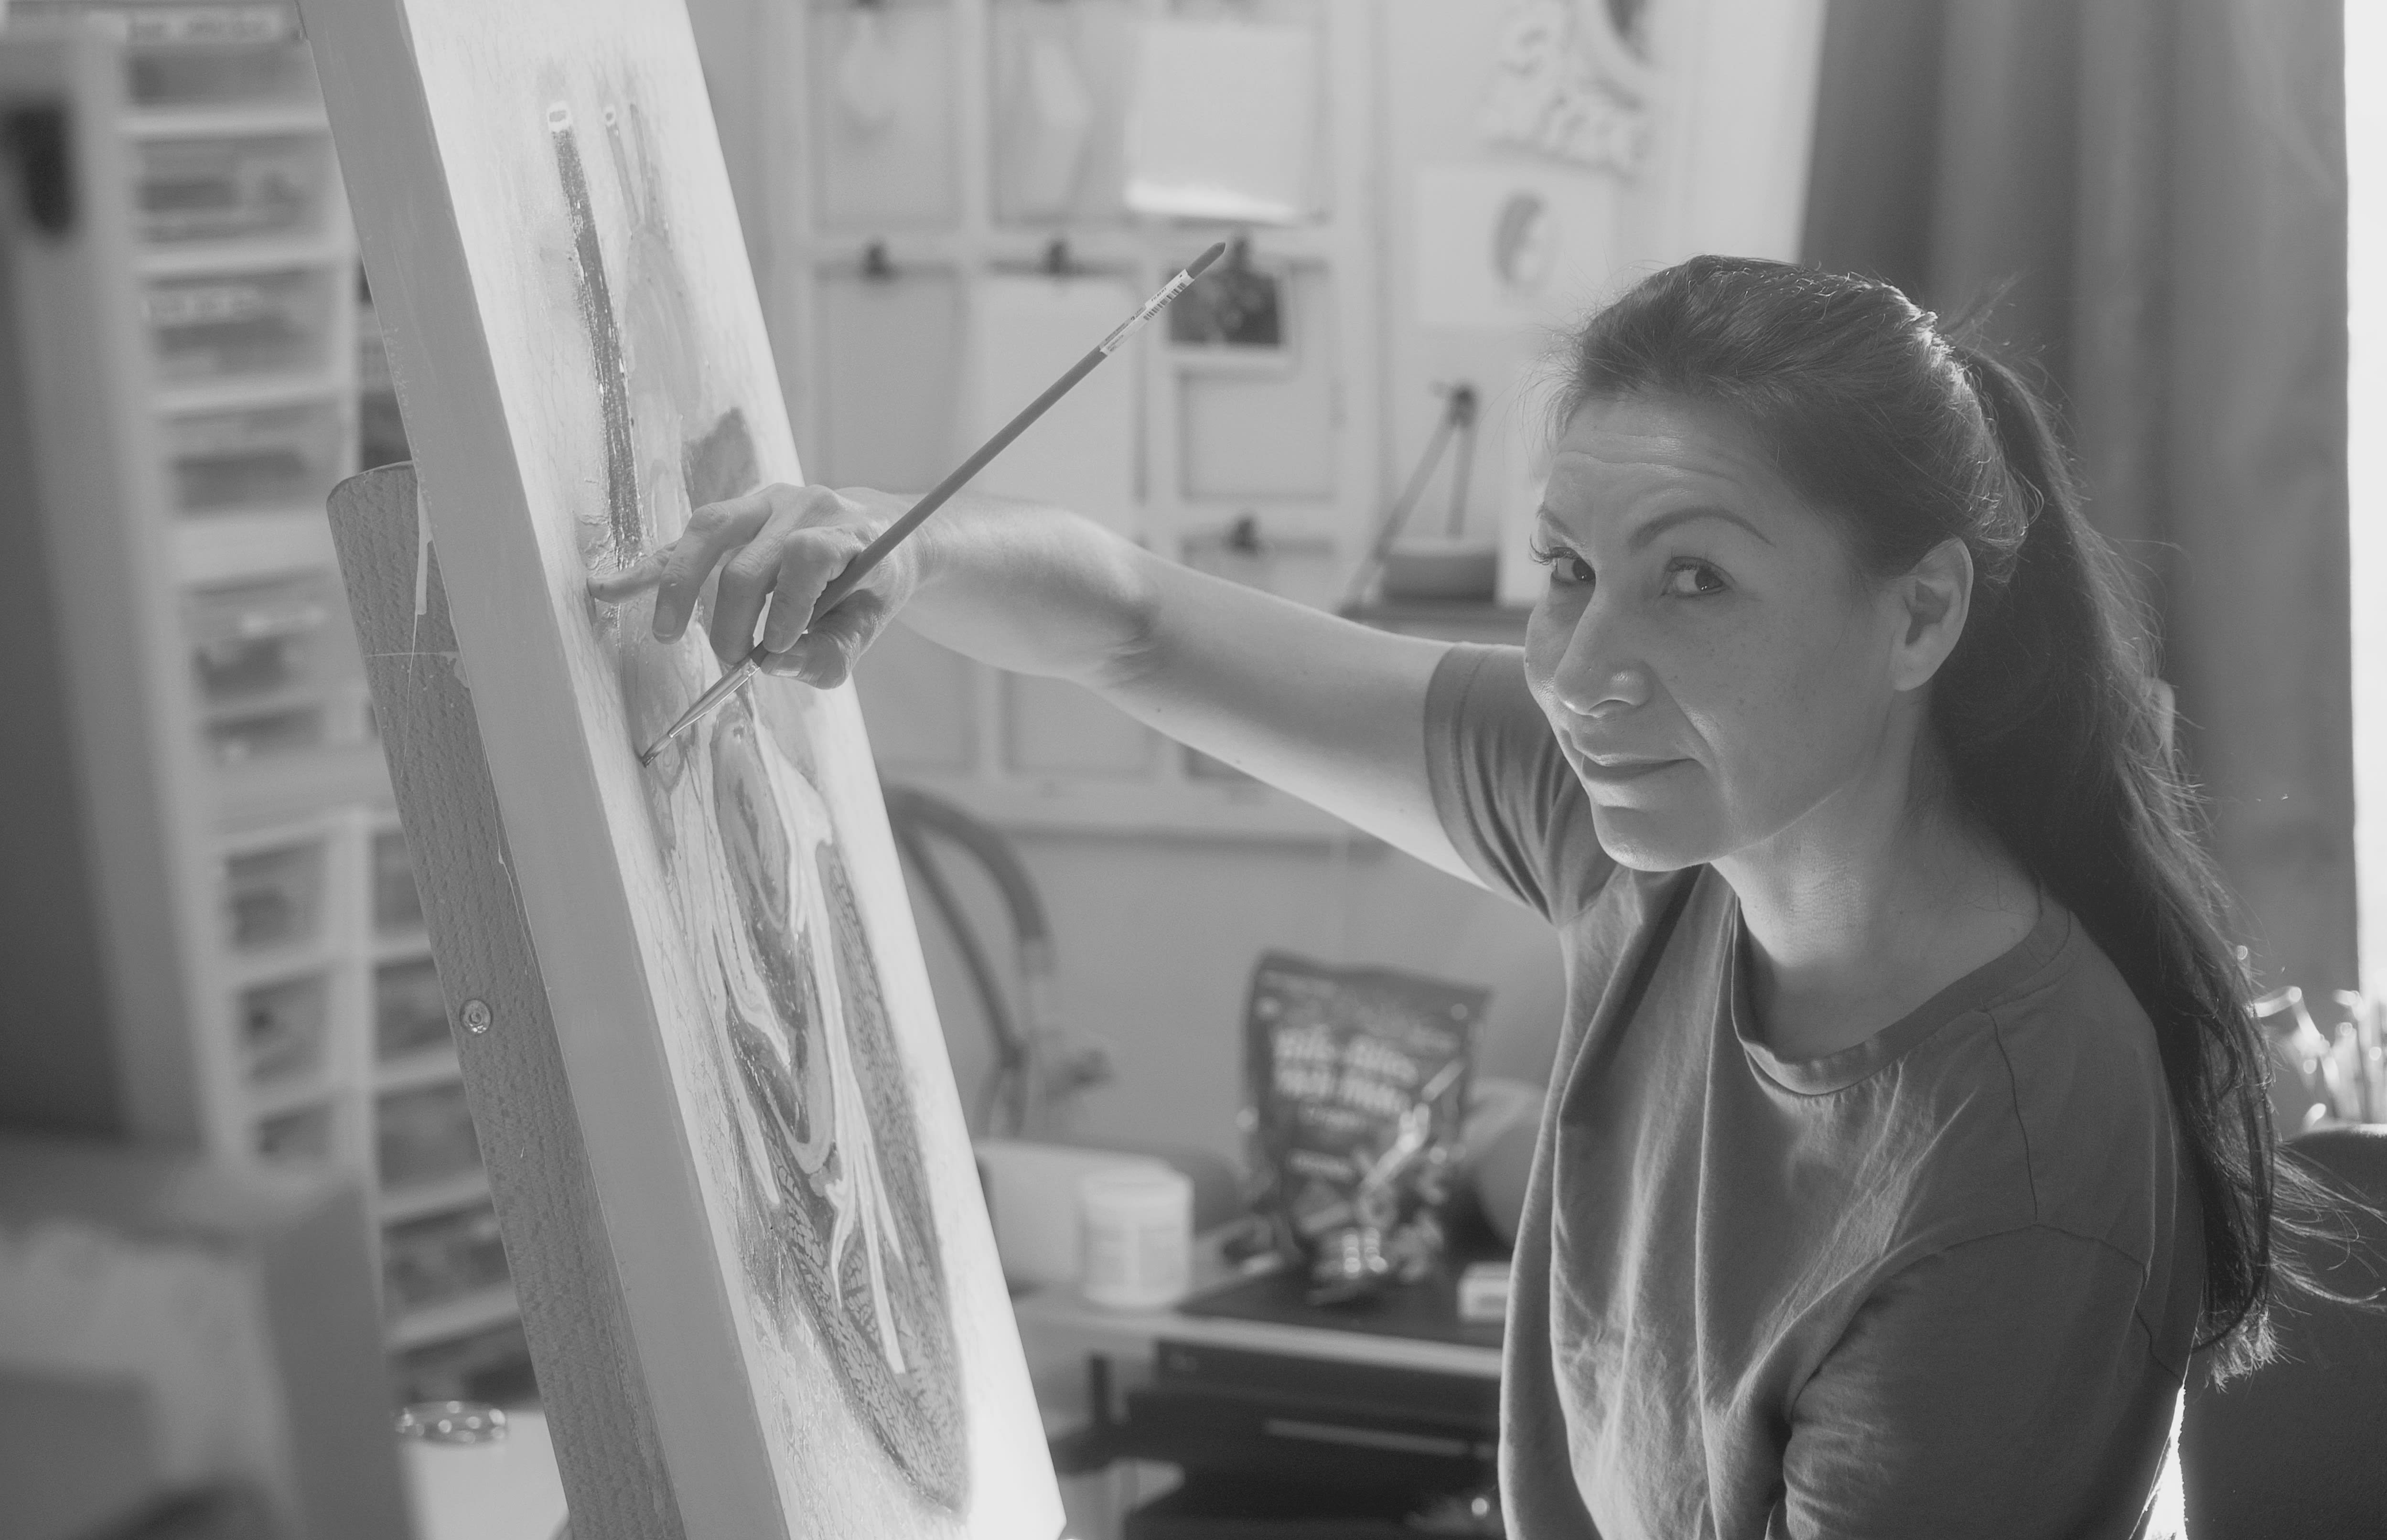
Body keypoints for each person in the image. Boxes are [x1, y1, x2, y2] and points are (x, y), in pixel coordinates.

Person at [592, 257, 2304, 1537]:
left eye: (1692, 581)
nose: (1582, 671)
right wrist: (892, 545)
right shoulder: (1652, 834)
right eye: (1565, 573)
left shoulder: (2015, 1171)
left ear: (1921, 615)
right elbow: (1140, 624)